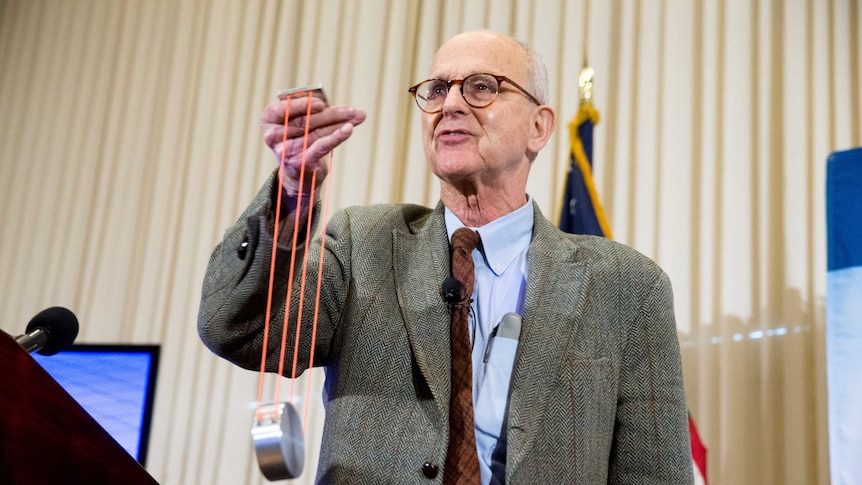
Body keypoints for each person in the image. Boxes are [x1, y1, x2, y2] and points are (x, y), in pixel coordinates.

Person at [198, 30, 693, 484]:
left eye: (481, 86)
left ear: (539, 128)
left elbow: (654, 475)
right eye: (436, 90)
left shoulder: (627, 286)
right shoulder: (362, 242)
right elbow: (235, 330)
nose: (450, 104)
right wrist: (290, 196)